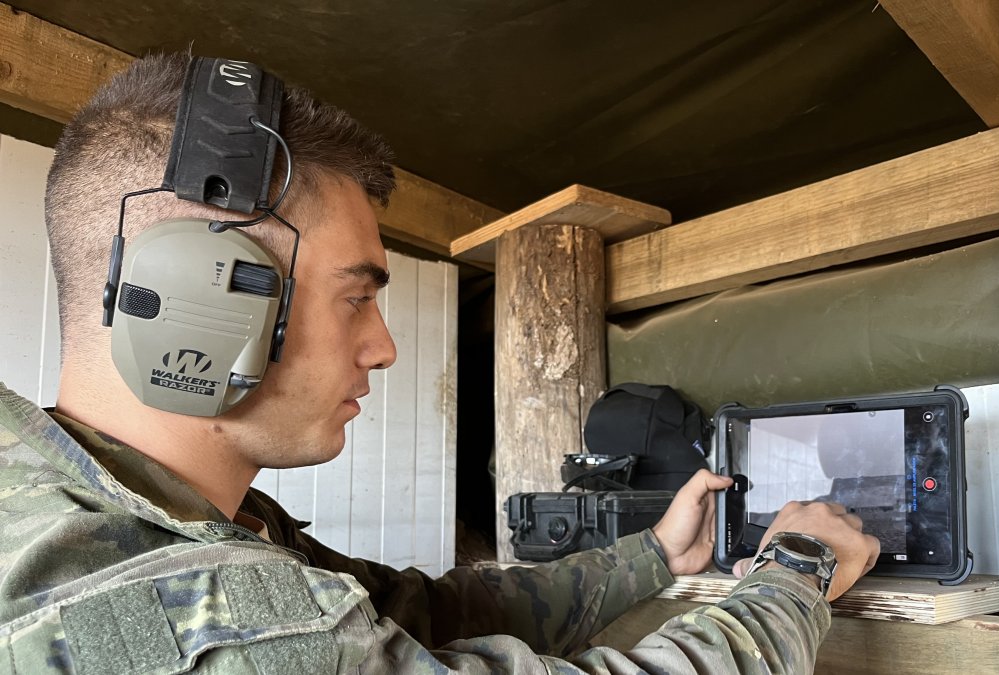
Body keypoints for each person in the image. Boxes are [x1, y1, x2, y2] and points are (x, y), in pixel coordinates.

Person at [0, 52, 880, 673]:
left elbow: (418, 614)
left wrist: (652, 553)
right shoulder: (201, 623)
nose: (383, 347)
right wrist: (797, 569)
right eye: (356, 296)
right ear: (207, 298)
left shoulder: (107, 507)